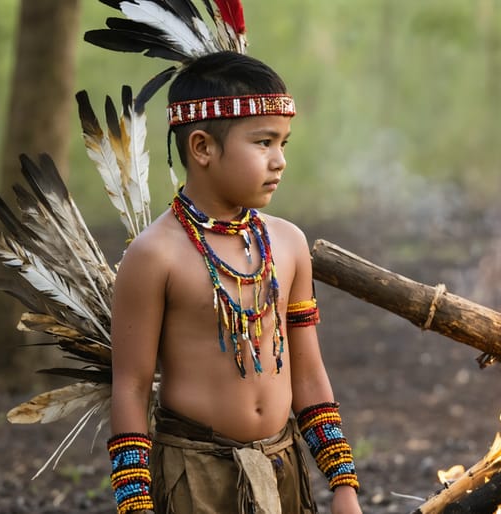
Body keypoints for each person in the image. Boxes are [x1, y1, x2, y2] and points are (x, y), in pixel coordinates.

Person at [106, 50, 362, 514]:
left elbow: (306, 372)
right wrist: (135, 504)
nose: (279, 160)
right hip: (194, 476)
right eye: (263, 142)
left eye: (284, 143)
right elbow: (130, 386)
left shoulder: (287, 244)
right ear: (202, 147)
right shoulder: (153, 256)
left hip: (282, 467)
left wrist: (342, 481)